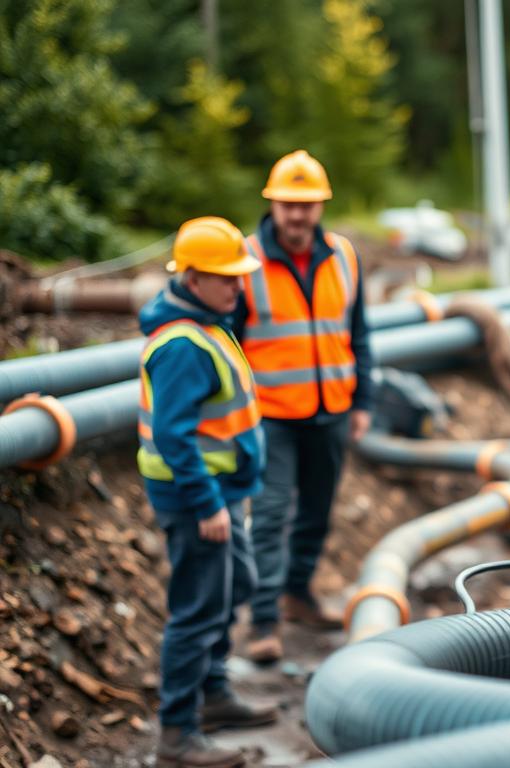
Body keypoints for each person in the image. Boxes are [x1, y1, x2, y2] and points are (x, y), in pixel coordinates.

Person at [139, 217, 277, 767]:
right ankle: (176, 734)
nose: (239, 288)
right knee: (196, 610)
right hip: (198, 498)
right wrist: (207, 504)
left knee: (235, 583)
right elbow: (174, 437)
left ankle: (213, 692)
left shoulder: (209, 322)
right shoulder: (182, 345)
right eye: (228, 279)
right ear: (193, 278)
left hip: (221, 491)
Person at [234, 150, 374, 663]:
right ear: (273, 204)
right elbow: (229, 345)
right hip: (269, 415)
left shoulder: (344, 256)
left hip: (331, 410)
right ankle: (264, 621)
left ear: (320, 206)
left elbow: (358, 334)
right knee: (269, 516)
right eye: (289, 205)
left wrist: (362, 401)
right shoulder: (244, 261)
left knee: (316, 513)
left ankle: (299, 593)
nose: (298, 215)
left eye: (307, 205)